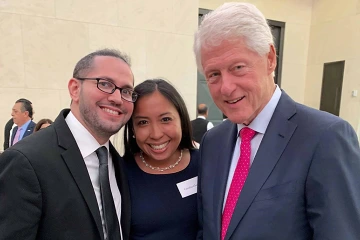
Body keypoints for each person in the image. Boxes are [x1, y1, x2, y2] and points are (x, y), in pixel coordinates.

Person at [194, 3, 360, 240]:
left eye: (238, 67)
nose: (226, 88)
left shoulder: (325, 138)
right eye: (214, 74)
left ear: (270, 59)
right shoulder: (213, 141)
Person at [0, 49, 137, 240]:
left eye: (127, 91)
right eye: (105, 84)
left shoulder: (118, 163)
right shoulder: (25, 161)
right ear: (74, 89)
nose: (116, 98)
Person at [123, 79, 199, 240]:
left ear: (182, 119)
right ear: (133, 129)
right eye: (143, 122)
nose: (156, 134)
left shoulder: (207, 164)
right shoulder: (119, 173)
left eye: (165, 119)